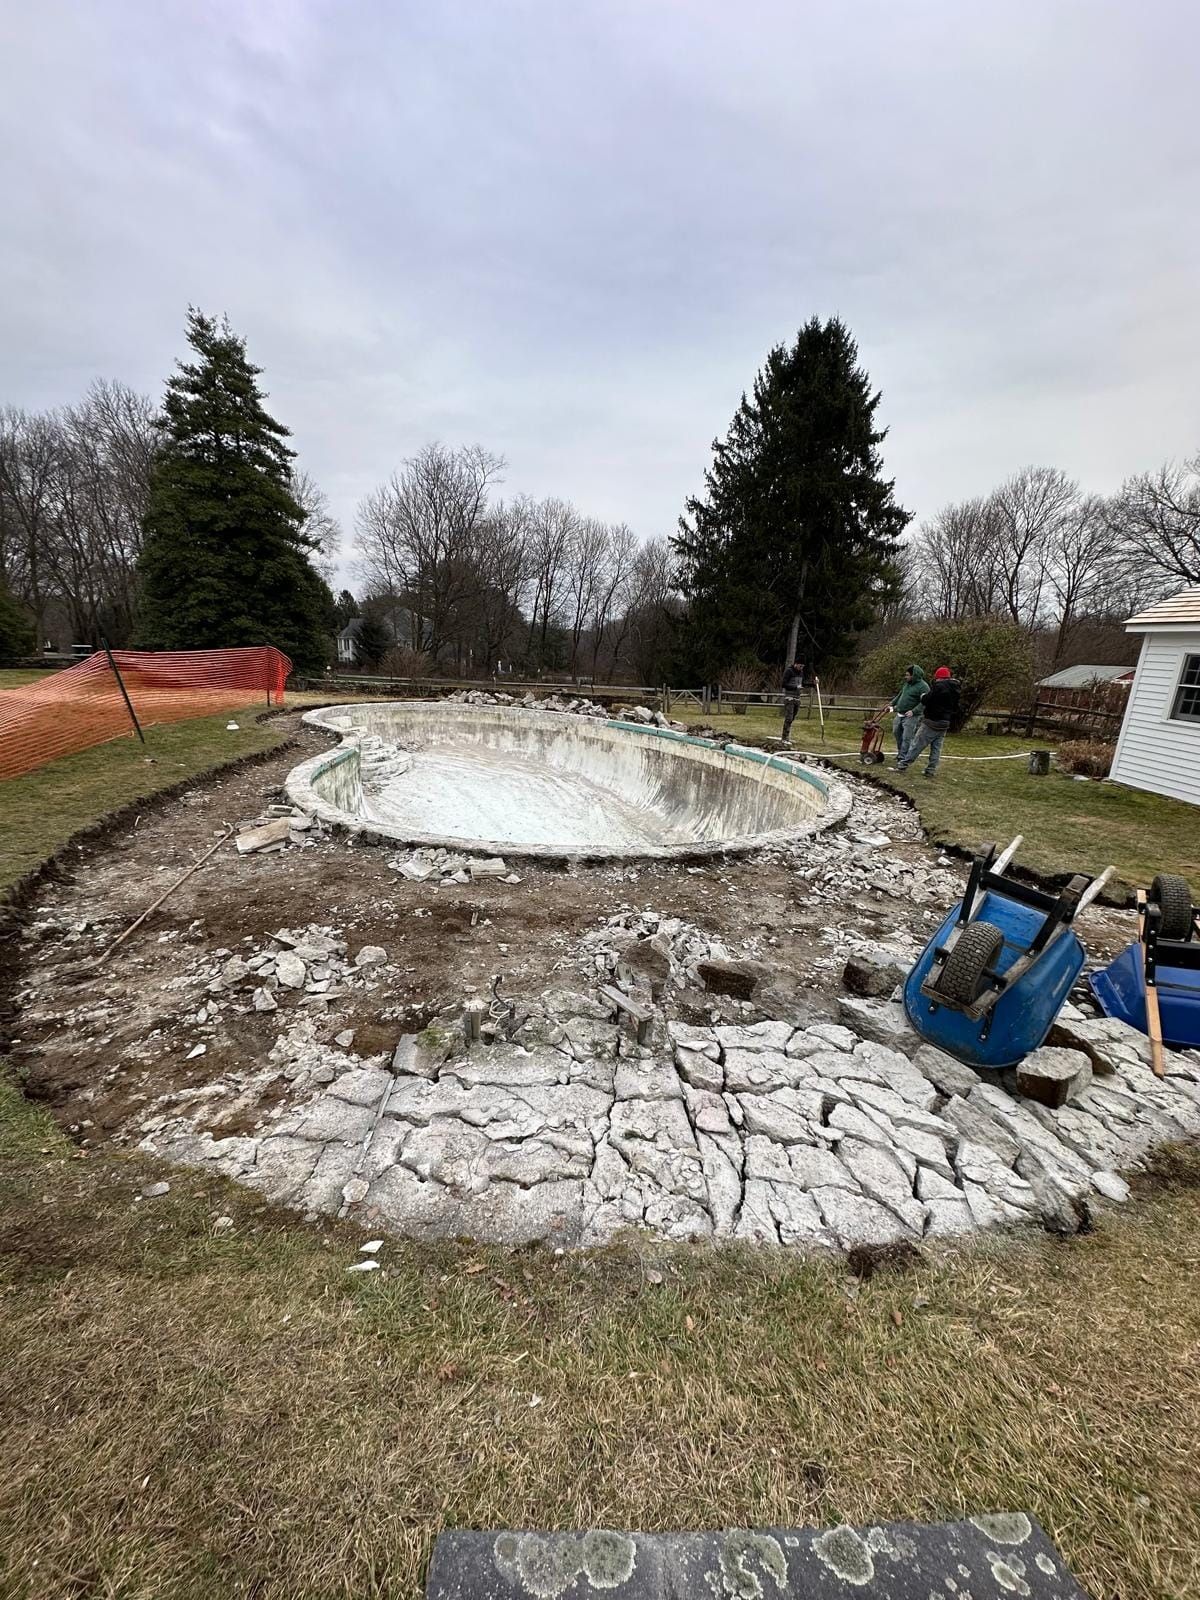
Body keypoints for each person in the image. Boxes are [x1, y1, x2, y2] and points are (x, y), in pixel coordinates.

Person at [895, 665, 961, 777]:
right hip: (945, 722)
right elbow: (955, 707)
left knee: (917, 744)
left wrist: (923, 696)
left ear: (939, 677)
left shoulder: (938, 686)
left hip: (931, 721)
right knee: (936, 748)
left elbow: (926, 700)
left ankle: (903, 764)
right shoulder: (955, 688)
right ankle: (930, 770)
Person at [887, 663, 926, 759]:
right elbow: (900, 694)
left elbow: (925, 702)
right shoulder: (907, 684)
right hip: (900, 713)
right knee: (897, 733)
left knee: (907, 737)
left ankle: (904, 757)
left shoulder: (923, 687)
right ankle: (901, 753)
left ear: (914, 675)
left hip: (911, 716)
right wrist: (891, 703)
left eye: (908, 675)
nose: (906, 677)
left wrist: (914, 711)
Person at [781, 658, 807, 741]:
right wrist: (795, 687)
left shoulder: (801, 673)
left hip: (797, 698)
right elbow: (784, 684)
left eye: (803, 666)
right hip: (789, 697)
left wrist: (813, 684)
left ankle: (787, 734)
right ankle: (785, 737)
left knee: (792, 718)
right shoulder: (789, 671)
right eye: (800, 666)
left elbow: (803, 683)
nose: (801, 668)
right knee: (789, 717)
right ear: (796, 664)